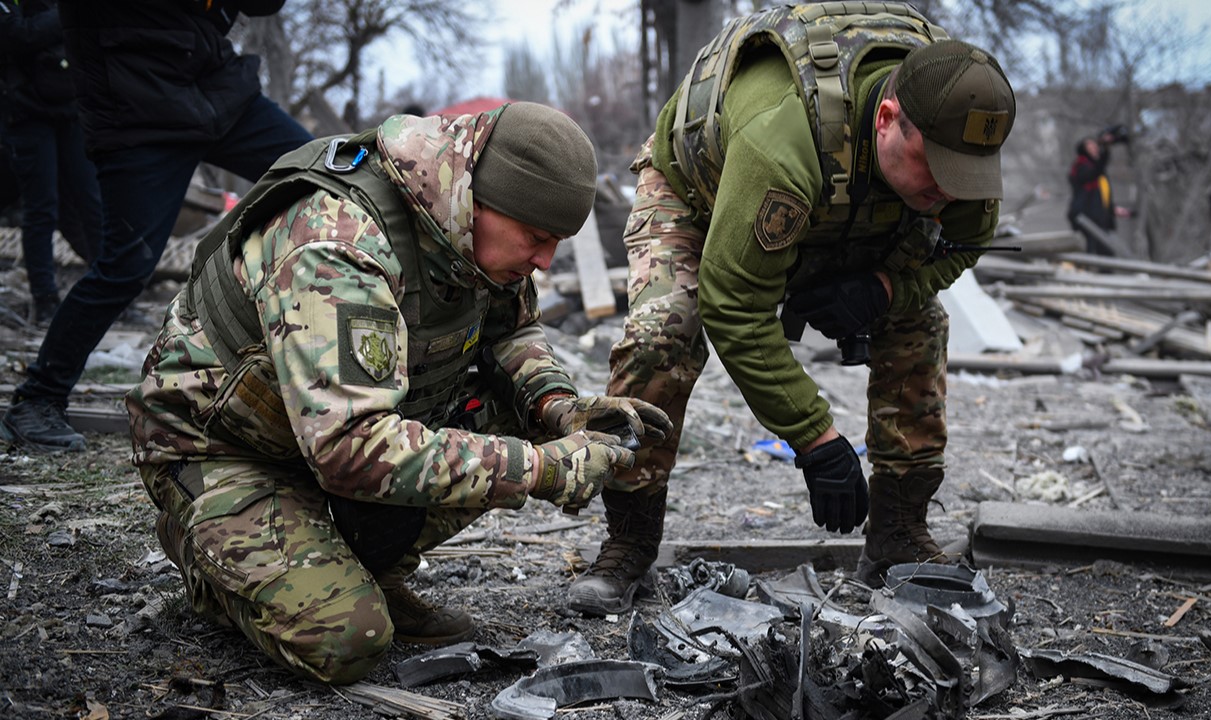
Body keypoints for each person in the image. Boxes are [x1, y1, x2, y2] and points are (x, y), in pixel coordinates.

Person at [126, 102, 672, 684]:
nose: (545, 260)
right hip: (225, 448)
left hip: (323, 436)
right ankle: (210, 553)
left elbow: (512, 332)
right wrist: (544, 468)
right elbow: (348, 449)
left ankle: (364, 568)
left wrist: (562, 407)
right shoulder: (337, 247)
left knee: (529, 419)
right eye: (536, 238)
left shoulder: (466, 233)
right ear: (475, 202)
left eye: (557, 242)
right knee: (347, 640)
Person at [566, 3, 1017, 614]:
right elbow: (735, 306)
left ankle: (898, 534)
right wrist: (815, 436)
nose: (950, 190)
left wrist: (884, 290)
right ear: (888, 119)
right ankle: (628, 544)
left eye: (964, 178)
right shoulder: (783, 141)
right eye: (936, 171)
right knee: (664, 333)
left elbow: (965, 245)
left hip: (852, 206)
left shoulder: (958, 148)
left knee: (921, 324)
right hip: (699, 193)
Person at [0, 0, 313, 451]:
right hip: (136, 104)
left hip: (215, 88)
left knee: (325, 172)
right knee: (125, 267)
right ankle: (36, 400)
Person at [0, 0, 104, 326]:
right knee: (41, 208)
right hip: (26, 111)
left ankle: (112, 294)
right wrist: (68, 15)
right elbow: (17, 35)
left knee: (92, 201)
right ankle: (45, 300)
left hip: (71, 107)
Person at [1066, 128, 1129, 254]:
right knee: (1088, 252)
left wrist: (1112, 209)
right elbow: (1093, 174)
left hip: (1100, 219)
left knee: (1106, 253)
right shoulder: (1080, 166)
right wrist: (1105, 147)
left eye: (1095, 145)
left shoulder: (1099, 172)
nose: (1095, 147)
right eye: (1090, 145)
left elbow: (1103, 196)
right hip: (1085, 219)